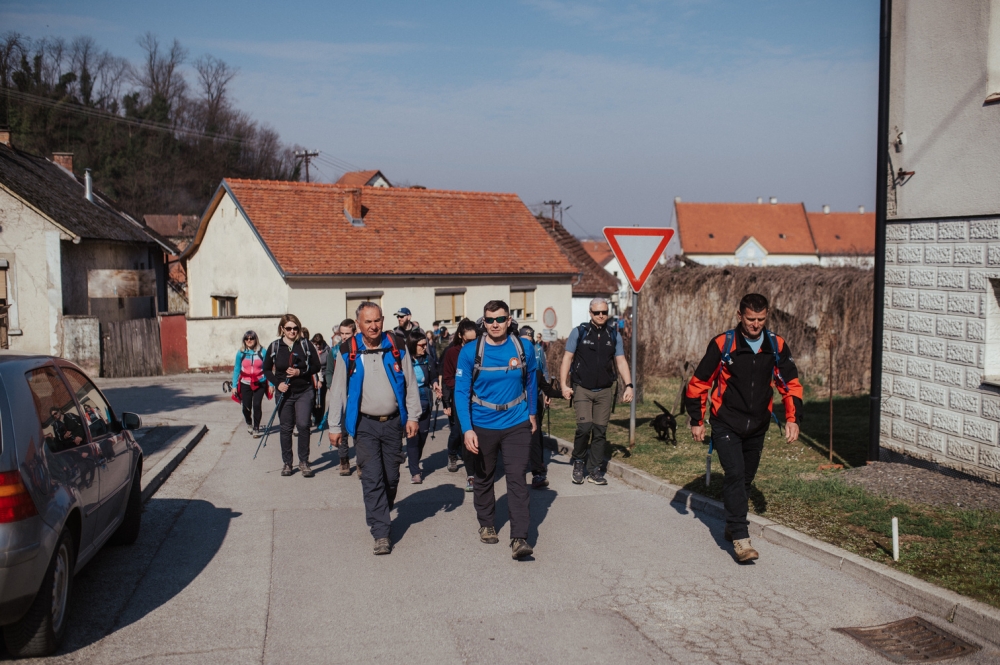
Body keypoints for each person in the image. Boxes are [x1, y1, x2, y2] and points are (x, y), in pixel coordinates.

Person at [685, 293, 803, 563]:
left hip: (758, 424)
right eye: (751, 319)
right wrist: (697, 420)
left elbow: (790, 384)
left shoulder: (776, 345)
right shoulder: (723, 344)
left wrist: (793, 418)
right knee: (735, 474)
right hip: (726, 421)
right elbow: (699, 384)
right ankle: (740, 537)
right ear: (740, 315)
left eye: (761, 319)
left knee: (746, 479)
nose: (756, 325)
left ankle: (731, 522)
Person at [328, 302, 420, 555]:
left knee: (391, 477)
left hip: (393, 424)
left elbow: (410, 383)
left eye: (377, 320)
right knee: (372, 478)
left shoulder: (397, 345)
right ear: (358, 324)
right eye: (368, 322)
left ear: (382, 320)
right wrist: (335, 426)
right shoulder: (347, 350)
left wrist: (413, 417)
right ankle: (381, 532)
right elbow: (337, 391)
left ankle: (381, 509)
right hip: (364, 424)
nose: (373, 326)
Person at [455, 300, 538, 560]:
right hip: (482, 423)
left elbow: (532, 380)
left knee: (516, 478)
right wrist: (467, 429)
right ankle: (487, 523)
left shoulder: (523, 347)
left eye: (500, 319)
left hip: (516, 422)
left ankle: (519, 537)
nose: (494, 325)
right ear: (483, 322)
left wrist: (532, 413)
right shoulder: (470, 351)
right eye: (489, 320)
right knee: (484, 476)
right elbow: (461, 391)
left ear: (509, 321)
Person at [560, 297, 633, 485]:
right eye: (597, 312)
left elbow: (621, 361)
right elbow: (567, 358)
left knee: (600, 431)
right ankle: (578, 461)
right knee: (585, 428)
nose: (601, 316)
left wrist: (629, 385)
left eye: (604, 312)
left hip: (604, 390)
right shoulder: (579, 332)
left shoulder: (613, 335)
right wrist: (563, 385)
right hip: (582, 388)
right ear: (590, 313)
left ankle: (594, 469)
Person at [263, 314, 321, 478]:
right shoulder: (275, 346)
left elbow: (316, 366)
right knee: (286, 428)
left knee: (303, 425)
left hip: (304, 391)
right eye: (288, 328)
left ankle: (304, 462)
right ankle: (287, 463)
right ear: (282, 329)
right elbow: (266, 369)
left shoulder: (305, 344)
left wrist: (300, 372)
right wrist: (277, 383)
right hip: (284, 392)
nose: (292, 331)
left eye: (295, 328)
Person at [441, 318, 478, 490]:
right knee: (462, 434)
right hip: (461, 398)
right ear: (461, 336)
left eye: (475, 340)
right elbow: (447, 377)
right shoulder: (452, 353)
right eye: (469, 341)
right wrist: (461, 388)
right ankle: (469, 473)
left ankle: (479, 471)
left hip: (480, 400)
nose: (473, 344)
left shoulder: (482, 350)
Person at [519, 325, 552, 489]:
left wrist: (548, 394)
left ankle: (537, 471)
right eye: (525, 340)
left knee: (535, 432)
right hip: (519, 399)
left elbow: (544, 370)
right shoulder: (515, 352)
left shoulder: (538, 351)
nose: (528, 343)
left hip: (536, 394)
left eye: (530, 340)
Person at [405, 330, 437, 483]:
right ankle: (415, 472)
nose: (425, 347)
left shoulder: (427, 359)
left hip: (425, 401)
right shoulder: (403, 361)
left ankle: (414, 462)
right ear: (412, 345)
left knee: (422, 437)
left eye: (426, 344)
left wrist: (436, 384)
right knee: (412, 437)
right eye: (422, 345)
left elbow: (433, 376)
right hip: (409, 402)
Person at [327, 319, 358, 476]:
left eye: (348, 333)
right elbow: (329, 370)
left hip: (357, 396)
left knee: (359, 432)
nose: (345, 337)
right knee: (343, 431)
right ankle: (344, 460)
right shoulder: (337, 350)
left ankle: (361, 462)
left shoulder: (360, 349)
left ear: (355, 332)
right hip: (342, 395)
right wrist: (331, 385)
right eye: (342, 333)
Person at [232, 330, 270, 437]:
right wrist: (234, 386)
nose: (249, 340)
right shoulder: (241, 352)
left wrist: (271, 384)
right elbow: (237, 369)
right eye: (247, 338)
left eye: (251, 338)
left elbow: (268, 369)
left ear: (255, 339)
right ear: (244, 340)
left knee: (257, 405)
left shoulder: (262, 352)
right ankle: (249, 422)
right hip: (245, 382)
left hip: (260, 382)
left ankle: (256, 428)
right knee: (246, 407)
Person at [311, 333, 331, 427]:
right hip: (313, 376)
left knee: (321, 398)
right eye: (316, 344)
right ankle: (313, 415)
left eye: (320, 344)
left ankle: (319, 419)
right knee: (312, 397)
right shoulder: (311, 350)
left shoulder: (327, 350)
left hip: (324, 375)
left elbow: (329, 365)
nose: (318, 346)